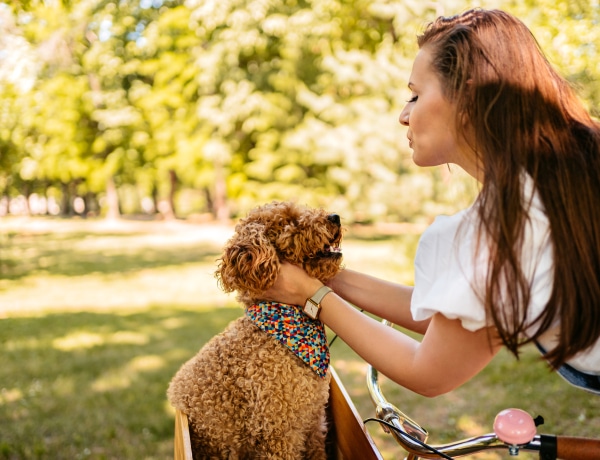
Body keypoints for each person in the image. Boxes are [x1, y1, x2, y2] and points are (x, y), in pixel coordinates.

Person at [264, 8, 600, 397]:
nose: (404, 116)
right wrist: (326, 277)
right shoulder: (568, 171)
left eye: (415, 95)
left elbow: (429, 370)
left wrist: (312, 297)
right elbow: (448, 321)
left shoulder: (503, 224)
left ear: (469, 97)